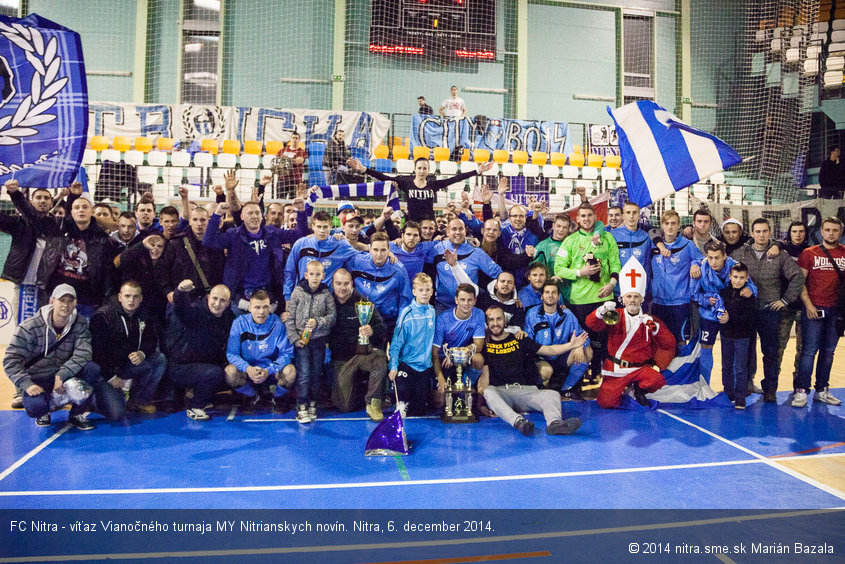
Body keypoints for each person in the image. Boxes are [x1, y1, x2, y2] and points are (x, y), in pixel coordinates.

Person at [478, 306, 585, 436]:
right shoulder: (484, 346)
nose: (495, 323)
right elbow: (484, 380)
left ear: (505, 321)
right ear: (487, 323)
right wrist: (481, 405)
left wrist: (571, 345)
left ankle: (555, 423)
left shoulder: (519, 338)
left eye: (499, 319)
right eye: (491, 320)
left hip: (525, 391)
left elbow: (548, 350)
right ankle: (519, 422)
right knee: (488, 391)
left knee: (552, 394)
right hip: (502, 392)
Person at [3, 284, 98, 430]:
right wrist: (26, 383)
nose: (65, 305)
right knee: (36, 407)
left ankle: (77, 414)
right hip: (38, 379)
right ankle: (45, 409)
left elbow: (83, 353)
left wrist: (62, 374)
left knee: (92, 369)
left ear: (75, 303)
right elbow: (11, 360)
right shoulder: (29, 327)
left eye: (70, 301)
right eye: (61, 300)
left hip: (64, 376)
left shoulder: (80, 323)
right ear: (52, 301)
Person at [585, 257, 676, 409]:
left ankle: (638, 389)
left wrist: (656, 330)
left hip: (640, 369)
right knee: (606, 403)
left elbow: (669, 343)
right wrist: (601, 311)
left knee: (656, 380)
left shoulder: (650, 320)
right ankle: (625, 389)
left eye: (636, 297)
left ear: (642, 299)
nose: (632, 300)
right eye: (629, 297)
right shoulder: (614, 315)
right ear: (622, 298)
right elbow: (591, 324)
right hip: (616, 370)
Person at [730, 218, 804, 402]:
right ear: (752, 233)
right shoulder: (741, 253)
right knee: (745, 351)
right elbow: (728, 275)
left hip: (769, 310)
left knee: (770, 352)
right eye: (758, 231)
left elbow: (797, 277)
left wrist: (785, 300)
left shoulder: (780, 255)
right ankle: (745, 385)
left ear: (770, 232)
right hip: (745, 311)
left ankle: (770, 389)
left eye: (764, 231)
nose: (761, 235)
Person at [0, 180, 59, 408]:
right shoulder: (19, 224)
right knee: (25, 339)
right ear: (31, 201)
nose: (42, 201)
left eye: (46, 198)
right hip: (26, 287)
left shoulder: (54, 225)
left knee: (48, 340)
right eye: (38, 198)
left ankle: (47, 387)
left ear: (51, 202)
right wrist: (14, 195)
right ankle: (19, 389)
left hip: (47, 290)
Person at [204, 193, 308, 314]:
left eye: (257, 213)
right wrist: (217, 215)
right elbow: (208, 242)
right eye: (250, 213)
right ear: (242, 216)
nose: (254, 216)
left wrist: (301, 211)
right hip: (240, 296)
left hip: (267, 295)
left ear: (262, 216)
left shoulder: (272, 233)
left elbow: (300, 235)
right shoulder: (233, 235)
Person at [554, 203, 621, 380]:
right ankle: (581, 378)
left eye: (589, 215)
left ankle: (607, 378)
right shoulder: (571, 241)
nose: (586, 219)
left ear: (595, 217)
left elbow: (615, 264)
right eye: (582, 216)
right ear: (578, 219)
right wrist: (579, 272)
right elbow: (558, 269)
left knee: (607, 341)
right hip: (580, 301)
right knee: (585, 342)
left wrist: (612, 284)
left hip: (605, 297)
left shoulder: (607, 238)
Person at [89, 281, 167, 417]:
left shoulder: (143, 315)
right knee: (117, 414)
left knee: (159, 360)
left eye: (136, 297)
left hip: (126, 367)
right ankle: (94, 400)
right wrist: (111, 377)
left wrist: (142, 353)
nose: (131, 300)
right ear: (120, 297)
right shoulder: (103, 316)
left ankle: (138, 402)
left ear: (141, 298)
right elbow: (96, 353)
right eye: (127, 296)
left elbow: (151, 340)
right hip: (106, 373)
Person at [165, 280, 235, 421]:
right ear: (208, 297)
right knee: (215, 374)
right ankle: (195, 407)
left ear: (228, 303)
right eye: (215, 298)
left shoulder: (229, 318)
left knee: (232, 374)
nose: (217, 304)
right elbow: (181, 308)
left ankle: (198, 394)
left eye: (223, 300)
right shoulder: (196, 312)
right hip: (180, 367)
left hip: (202, 366)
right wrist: (181, 291)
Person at [795, 216, 845, 407]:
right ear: (821, 232)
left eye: (835, 230)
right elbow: (800, 282)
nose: (831, 233)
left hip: (836, 311)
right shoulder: (809, 253)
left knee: (829, 352)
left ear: (840, 232)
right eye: (828, 229)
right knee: (808, 351)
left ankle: (822, 390)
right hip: (814, 309)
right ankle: (801, 391)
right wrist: (808, 305)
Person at [348, 157, 493, 222]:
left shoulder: (433, 185)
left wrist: (477, 171)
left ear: (428, 170)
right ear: (415, 169)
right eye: (419, 168)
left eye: (425, 168)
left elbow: (454, 179)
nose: (422, 171)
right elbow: (382, 176)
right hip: (411, 224)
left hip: (429, 224)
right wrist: (363, 169)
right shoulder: (406, 182)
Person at [692, 241, 757, 383]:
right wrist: (705, 300)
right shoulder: (701, 268)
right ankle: (704, 385)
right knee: (706, 347)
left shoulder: (735, 266)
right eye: (710, 257)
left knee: (733, 350)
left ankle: (736, 387)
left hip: (732, 314)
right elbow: (693, 293)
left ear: (725, 256)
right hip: (708, 314)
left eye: (717, 257)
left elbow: (752, 285)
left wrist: (750, 289)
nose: (713, 262)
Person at [329, 268, 388, 421]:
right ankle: (363, 387)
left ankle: (373, 402)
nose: (342, 287)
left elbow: (382, 328)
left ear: (352, 284)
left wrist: (371, 330)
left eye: (346, 284)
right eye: (338, 283)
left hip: (361, 357)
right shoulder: (327, 302)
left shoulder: (363, 303)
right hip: (340, 362)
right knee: (345, 406)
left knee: (380, 358)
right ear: (332, 284)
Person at [226, 290, 296, 414]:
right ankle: (251, 396)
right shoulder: (239, 323)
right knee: (229, 372)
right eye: (257, 307)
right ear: (250, 307)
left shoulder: (278, 324)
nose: (262, 311)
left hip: (271, 371)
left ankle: (278, 398)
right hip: (248, 371)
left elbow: (287, 354)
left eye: (265, 307)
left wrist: (269, 370)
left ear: (270, 307)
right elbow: (232, 354)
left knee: (290, 371)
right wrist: (248, 369)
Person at [285, 261, 336, 423]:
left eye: (318, 274)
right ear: (306, 275)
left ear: (323, 276)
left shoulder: (327, 294)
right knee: (304, 374)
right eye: (311, 274)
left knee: (316, 373)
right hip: (302, 342)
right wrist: (294, 338)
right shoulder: (297, 293)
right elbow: (290, 317)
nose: (315, 277)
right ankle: (301, 406)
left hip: (319, 341)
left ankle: (313, 402)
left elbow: (332, 317)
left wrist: (318, 322)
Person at [525, 282, 592, 394]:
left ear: (558, 296)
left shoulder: (568, 314)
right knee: (546, 371)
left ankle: (567, 389)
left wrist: (580, 346)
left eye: (554, 292)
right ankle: (543, 391)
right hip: (541, 358)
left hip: (563, 356)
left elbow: (583, 336)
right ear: (542, 296)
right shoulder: (532, 315)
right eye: (547, 292)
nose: (550, 295)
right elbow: (527, 342)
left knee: (587, 351)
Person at [650, 210, 703, 344]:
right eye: (666, 223)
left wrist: (695, 264)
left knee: (679, 341)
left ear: (679, 226)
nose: (670, 227)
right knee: (658, 342)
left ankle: (679, 366)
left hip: (680, 302)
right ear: (662, 226)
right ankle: (663, 366)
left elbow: (701, 259)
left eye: (673, 223)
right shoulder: (653, 245)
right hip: (658, 302)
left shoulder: (687, 245)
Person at [389, 273, 438, 417]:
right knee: (402, 404)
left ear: (432, 291)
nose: (424, 293)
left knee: (419, 411)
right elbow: (396, 343)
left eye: (427, 289)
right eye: (421, 290)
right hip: (407, 365)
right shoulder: (406, 313)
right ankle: (399, 401)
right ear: (414, 291)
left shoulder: (432, 312)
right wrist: (393, 366)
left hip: (424, 368)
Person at [346, 232, 413, 337]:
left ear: (389, 250)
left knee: (384, 353)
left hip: (388, 321)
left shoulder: (398, 270)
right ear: (370, 249)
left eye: (383, 250)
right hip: (361, 319)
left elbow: (405, 299)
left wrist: (401, 324)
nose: (379, 254)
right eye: (375, 250)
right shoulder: (357, 262)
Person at [431, 218, 502, 313]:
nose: (458, 232)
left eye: (461, 229)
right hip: (443, 304)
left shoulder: (476, 252)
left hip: (469, 306)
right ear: (448, 232)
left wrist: (511, 294)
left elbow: (499, 274)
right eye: (454, 229)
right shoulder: (437, 249)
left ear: (465, 231)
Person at [284, 210, 359, 299]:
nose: (322, 231)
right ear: (313, 226)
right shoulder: (301, 244)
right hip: (302, 297)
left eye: (325, 227)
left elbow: (360, 258)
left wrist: (369, 248)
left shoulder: (340, 244)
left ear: (331, 227)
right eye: (319, 226)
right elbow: (289, 271)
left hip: (328, 299)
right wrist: (287, 296)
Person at [156, 206, 224, 303]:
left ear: (208, 222)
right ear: (190, 222)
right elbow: (162, 269)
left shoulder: (216, 245)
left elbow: (220, 272)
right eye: (195, 220)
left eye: (203, 220)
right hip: (181, 298)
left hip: (207, 300)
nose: (199, 224)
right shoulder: (176, 243)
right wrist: (168, 291)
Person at [432, 284, 486, 393]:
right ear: (456, 300)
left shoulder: (479, 314)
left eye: (469, 300)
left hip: (463, 358)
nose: (466, 304)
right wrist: (441, 379)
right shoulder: (443, 319)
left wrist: (455, 354)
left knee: (478, 359)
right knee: (439, 401)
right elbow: (434, 353)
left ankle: (464, 392)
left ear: (475, 301)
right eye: (462, 300)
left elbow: (478, 346)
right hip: (444, 361)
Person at [776, 220, 809, 389]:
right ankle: (772, 384)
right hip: (785, 306)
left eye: (801, 231)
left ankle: (799, 384)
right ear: (789, 233)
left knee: (803, 350)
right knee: (778, 347)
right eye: (794, 231)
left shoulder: (811, 251)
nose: (798, 234)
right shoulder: (781, 249)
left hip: (805, 306)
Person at [719, 263, 756, 409]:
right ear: (729, 277)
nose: (738, 280)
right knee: (726, 366)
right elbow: (719, 311)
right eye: (735, 277)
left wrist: (730, 318)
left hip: (742, 337)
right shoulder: (723, 293)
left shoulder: (749, 296)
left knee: (740, 367)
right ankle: (728, 393)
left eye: (741, 277)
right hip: (726, 335)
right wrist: (721, 317)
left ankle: (740, 397)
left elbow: (749, 318)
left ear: (747, 278)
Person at [274, 132, 307, 199]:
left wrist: (285, 159)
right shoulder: (283, 150)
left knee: (293, 201)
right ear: (290, 139)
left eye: (296, 138)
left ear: (299, 140)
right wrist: (292, 160)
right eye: (293, 138)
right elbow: (276, 162)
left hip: (295, 180)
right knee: (280, 200)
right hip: (282, 180)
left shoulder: (301, 151)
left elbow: (299, 161)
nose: (294, 140)